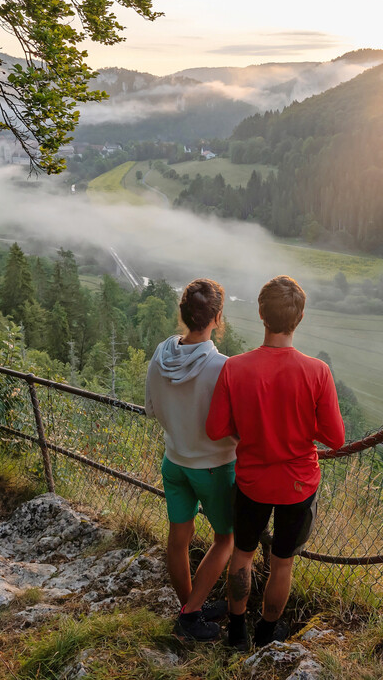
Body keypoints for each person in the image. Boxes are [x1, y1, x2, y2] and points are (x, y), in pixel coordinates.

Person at [205, 275, 345, 650]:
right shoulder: (317, 372)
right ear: (298, 319)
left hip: (251, 481)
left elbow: (216, 428)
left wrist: (250, 430)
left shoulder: (234, 368)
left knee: (243, 553)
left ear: (262, 315)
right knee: (282, 562)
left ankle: (236, 632)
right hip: (298, 484)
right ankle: (267, 635)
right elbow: (335, 438)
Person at [145, 278, 238, 641]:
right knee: (226, 539)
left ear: (183, 314)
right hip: (214, 466)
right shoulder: (223, 367)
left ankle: (191, 607)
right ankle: (190, 615)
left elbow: (152, 408)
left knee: (178, 539)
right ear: (217, 317)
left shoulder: (160, 354)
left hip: (174, 460)